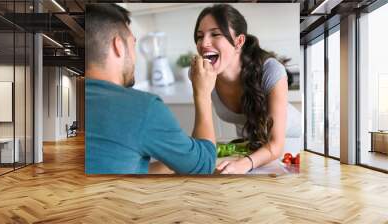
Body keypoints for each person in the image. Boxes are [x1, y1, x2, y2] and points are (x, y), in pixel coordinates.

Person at [85, 4, 217, 174]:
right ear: (118, 45)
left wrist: (176, 158)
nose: (135, 55)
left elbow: (122, 166)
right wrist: (203, 93)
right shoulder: (141, 108)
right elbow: (204, 166)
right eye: (133, 44)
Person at [192, 4, 299, 174]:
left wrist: (244, 164)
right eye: (199, 36)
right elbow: (201, 148)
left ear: (238, 42)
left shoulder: (271, 70)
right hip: (253, 146)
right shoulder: (206, 77)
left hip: (291, 143)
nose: (204, 43)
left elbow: (276, 145)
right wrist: (201, 92)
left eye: (215, 34)